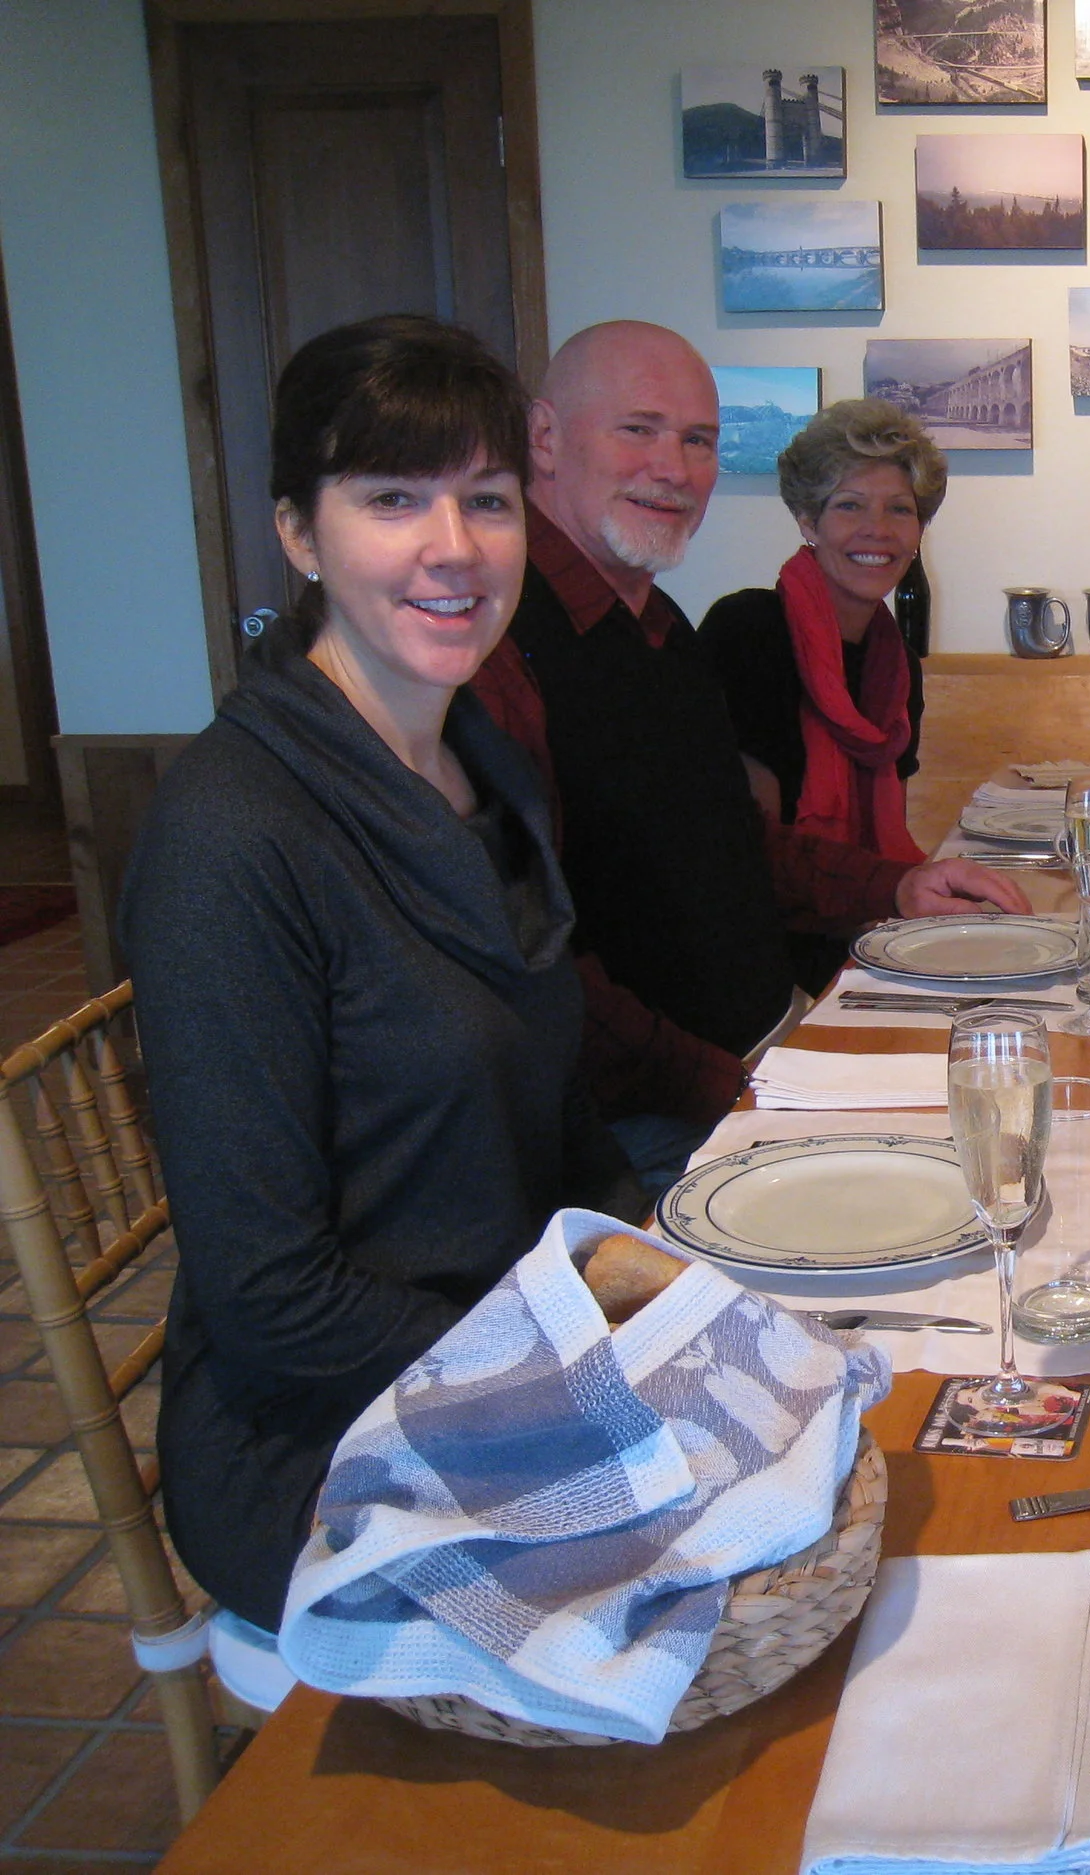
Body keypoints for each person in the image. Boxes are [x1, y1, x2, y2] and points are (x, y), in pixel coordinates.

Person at [120, 315, 639, 1634]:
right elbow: (268, 1298)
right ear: (299, 532)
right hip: (325, 1433)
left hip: (514, 1352)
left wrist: (654, 1267)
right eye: (392, 497)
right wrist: (582, 1378)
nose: (453, 547)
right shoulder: (231, 830)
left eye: (487, 500)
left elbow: (558, 1107)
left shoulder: (483, 761)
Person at [470, 321, 1026, 1188]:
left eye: (697, 441)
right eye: (639, 430)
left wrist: (896, 885)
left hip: (760, 1045)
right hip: (641, 1127)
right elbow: (530, 974)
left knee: (1023, 1108)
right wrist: (736, 1085)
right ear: (543, 437)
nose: (674, 467)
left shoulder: (658, 632)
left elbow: (732, 843)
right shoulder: (494, 647)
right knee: (993, 1166)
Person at [700, 396, 934, 855]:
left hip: (863, 908)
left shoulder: (899, 667)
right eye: (850, 506)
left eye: (900, 509)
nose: (878, 529)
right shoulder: (748, 632)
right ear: (809, 521)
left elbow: (883, 847)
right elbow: (751, 848)